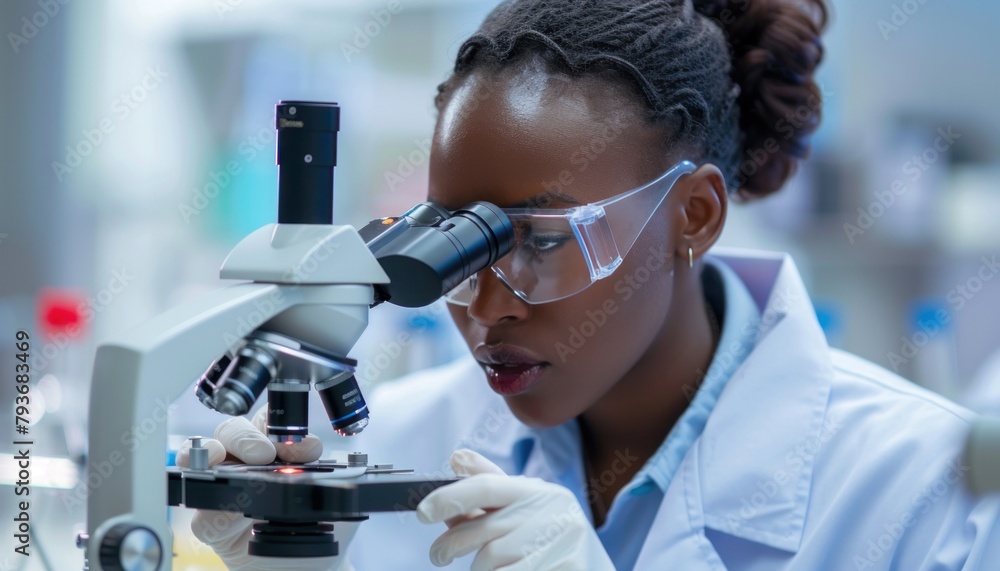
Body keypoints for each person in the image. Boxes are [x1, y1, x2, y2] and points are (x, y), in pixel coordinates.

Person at [178, 0, 1000, 569]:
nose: (489, 305)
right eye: (456, 246)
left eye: (540, 240)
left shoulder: (927, 494)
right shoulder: (391, 446)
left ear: (694, 215)